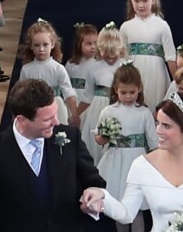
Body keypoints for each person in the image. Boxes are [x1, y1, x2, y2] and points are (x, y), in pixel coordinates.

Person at [0, 78, 116, 232]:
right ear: (22, 120)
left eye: (55, 113)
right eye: (48, 119)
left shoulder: (70, 138)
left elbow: (94, 182)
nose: (56, 122)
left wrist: (94, 197)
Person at [81, 91, 183, 232]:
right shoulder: (143, 166)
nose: (158, 131)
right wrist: (103, 198)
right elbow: (127, 214)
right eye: (157, 123)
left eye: (166, 126)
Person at [94, 61, 158, 232]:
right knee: (119, 207)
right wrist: (105, 137)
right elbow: (98, 139)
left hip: (138, 162)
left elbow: (153, 143)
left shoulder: (144, 112)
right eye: (123, 92)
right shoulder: (108, 111)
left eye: (132, 92)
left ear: (139, 89)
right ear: (115, 90)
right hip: (116, 163)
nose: (128, 96)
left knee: (136, 209)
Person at [120, 0, 176, 112]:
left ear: (153, 0)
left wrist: (178, 82)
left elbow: (170, 58)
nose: (140, 5)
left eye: (145, 0)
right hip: (133, 76)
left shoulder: (162, 26)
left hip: (157, 76)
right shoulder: (126, 27)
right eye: (136, 0)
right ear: (130, 0)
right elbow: (121, 58)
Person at [80, 21, 127, 165]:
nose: (111, 59)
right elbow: (87, 96)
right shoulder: (94, 68)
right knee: (96, 145)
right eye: (107, 55)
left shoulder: (126, 66)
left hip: (119, 107)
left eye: (114, 55)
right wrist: (75, 114)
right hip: (97, 109)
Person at [19, 18, 79, 127]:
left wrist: (74, 114)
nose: (41, 49)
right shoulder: (26, 69)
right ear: (31, 46)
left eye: (45, 45)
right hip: (35, 107)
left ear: (52, 44)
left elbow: (68, 92)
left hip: (56, 108)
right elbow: (21, 94)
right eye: (37, 45)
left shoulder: (58, 68)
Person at [65, 22, 98, 123]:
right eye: (88, 44)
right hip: (73, 101)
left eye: (95, 43)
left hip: (89, 102)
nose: (93, 47)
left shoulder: (98, 64)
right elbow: (66, 86)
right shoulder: (71, 64)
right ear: (79, 45)